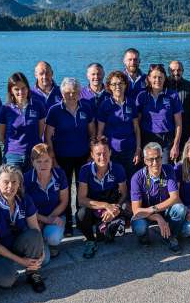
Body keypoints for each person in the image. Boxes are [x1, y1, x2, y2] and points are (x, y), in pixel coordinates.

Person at [0, 165, 46, 293]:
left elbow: (35, 230)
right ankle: (6, 267)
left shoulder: (25, 200)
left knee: (36, 239)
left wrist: (42, 251)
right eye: (5, 182)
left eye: (14, 182)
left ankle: (33, 273)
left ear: (19, 184)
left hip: (14, 244)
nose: (10, 186)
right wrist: (22, 260)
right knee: (7, 280)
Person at [45, 77, 96, 236]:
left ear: (80, 92)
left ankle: (82, 220)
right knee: (65, 189)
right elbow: (47, 136)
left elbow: (92, 132)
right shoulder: (54, 110)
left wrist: (91, 154)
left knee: (82, 188)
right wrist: (52, 157)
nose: (72, 95)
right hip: (62, 156)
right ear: (62, 93)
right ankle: (67, 222)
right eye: (68, 92)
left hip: (82, 155)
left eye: (75, 92)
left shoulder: (86, 107)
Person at [77, 138, 130, 258]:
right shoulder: (85, 170)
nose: (102, 157)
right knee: (81, 214)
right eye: (98, 154)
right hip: (94, 208)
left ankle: (104, 230)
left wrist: (115, 208)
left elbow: (124, 194)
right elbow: (81, 199)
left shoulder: (118, 168)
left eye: (105, 153)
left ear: (110, 152)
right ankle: (90, 240)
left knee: (106, 238)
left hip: (111, 208)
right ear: (92, 155)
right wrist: (106, 205)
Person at [130, 142, 187, 253]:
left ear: (162, 158)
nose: (155, 163)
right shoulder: (137, 178)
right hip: (145, 214)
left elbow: (174, 197)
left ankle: (170, 236)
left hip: (161, 210)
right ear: (145, 161)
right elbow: (136, 211)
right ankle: (144, 237)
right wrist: (157, 217)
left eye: (158, 158)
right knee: (139, 226)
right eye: (151, 159)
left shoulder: (169, 169)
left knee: (180, 209)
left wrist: (154, 210)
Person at [23, 144, 69, 259]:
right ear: (32, 162)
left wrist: (49, 219)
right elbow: (25, 208)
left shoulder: (60, 174)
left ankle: (48, 242)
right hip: (34, 219)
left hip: (55, 215)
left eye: (46, 161)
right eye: (39, 161)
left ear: (52, 161)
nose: (43, 165)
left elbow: (64, 201)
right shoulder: (26, 179)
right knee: (44, 260)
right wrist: (43, 220)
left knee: (53, 237)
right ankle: (41, 245)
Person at [97, 70, 141, 181]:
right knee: (114, 180)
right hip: (111, 151)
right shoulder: (105, 105)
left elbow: (136, 128)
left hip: (130, 149)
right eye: (114, 84)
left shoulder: (131, 103)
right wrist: (102, 152)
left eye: (121, 83)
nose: (118, 86)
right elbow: (100, 132)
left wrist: (138, 149)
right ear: (109, 87)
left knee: (131, 179)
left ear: (126, 85)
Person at [0, 72, 46, 171]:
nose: (21, 92)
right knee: (13, 185)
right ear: (11, 91)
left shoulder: (38, 106)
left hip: (34, 154)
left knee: (32, 184)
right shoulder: (5, 109)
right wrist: (16, 147)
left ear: (28, 88)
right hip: (12, 156)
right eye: (16, 89)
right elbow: (1, 136)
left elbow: (40, 132)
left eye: (23, 88)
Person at [136, 64, 183, 164]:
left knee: (165, 168)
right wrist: (138, 146)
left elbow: (178, 124)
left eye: (160, 77)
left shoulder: (172, 95)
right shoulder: (142, 96)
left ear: (165, 78)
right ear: (148, 78)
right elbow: (137, 124)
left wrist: (176, 145)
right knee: (149, 169)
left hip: (166, 140)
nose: (157, 80)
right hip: (147, 137)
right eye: (154, 77)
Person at [167, 60, 190, 147]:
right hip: (168, 131)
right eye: (173, 70)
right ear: (168, 71)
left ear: (183, 71)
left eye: (179, 70)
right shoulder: (164, 85)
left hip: (186, 130)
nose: (176, 72)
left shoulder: (189, 86)